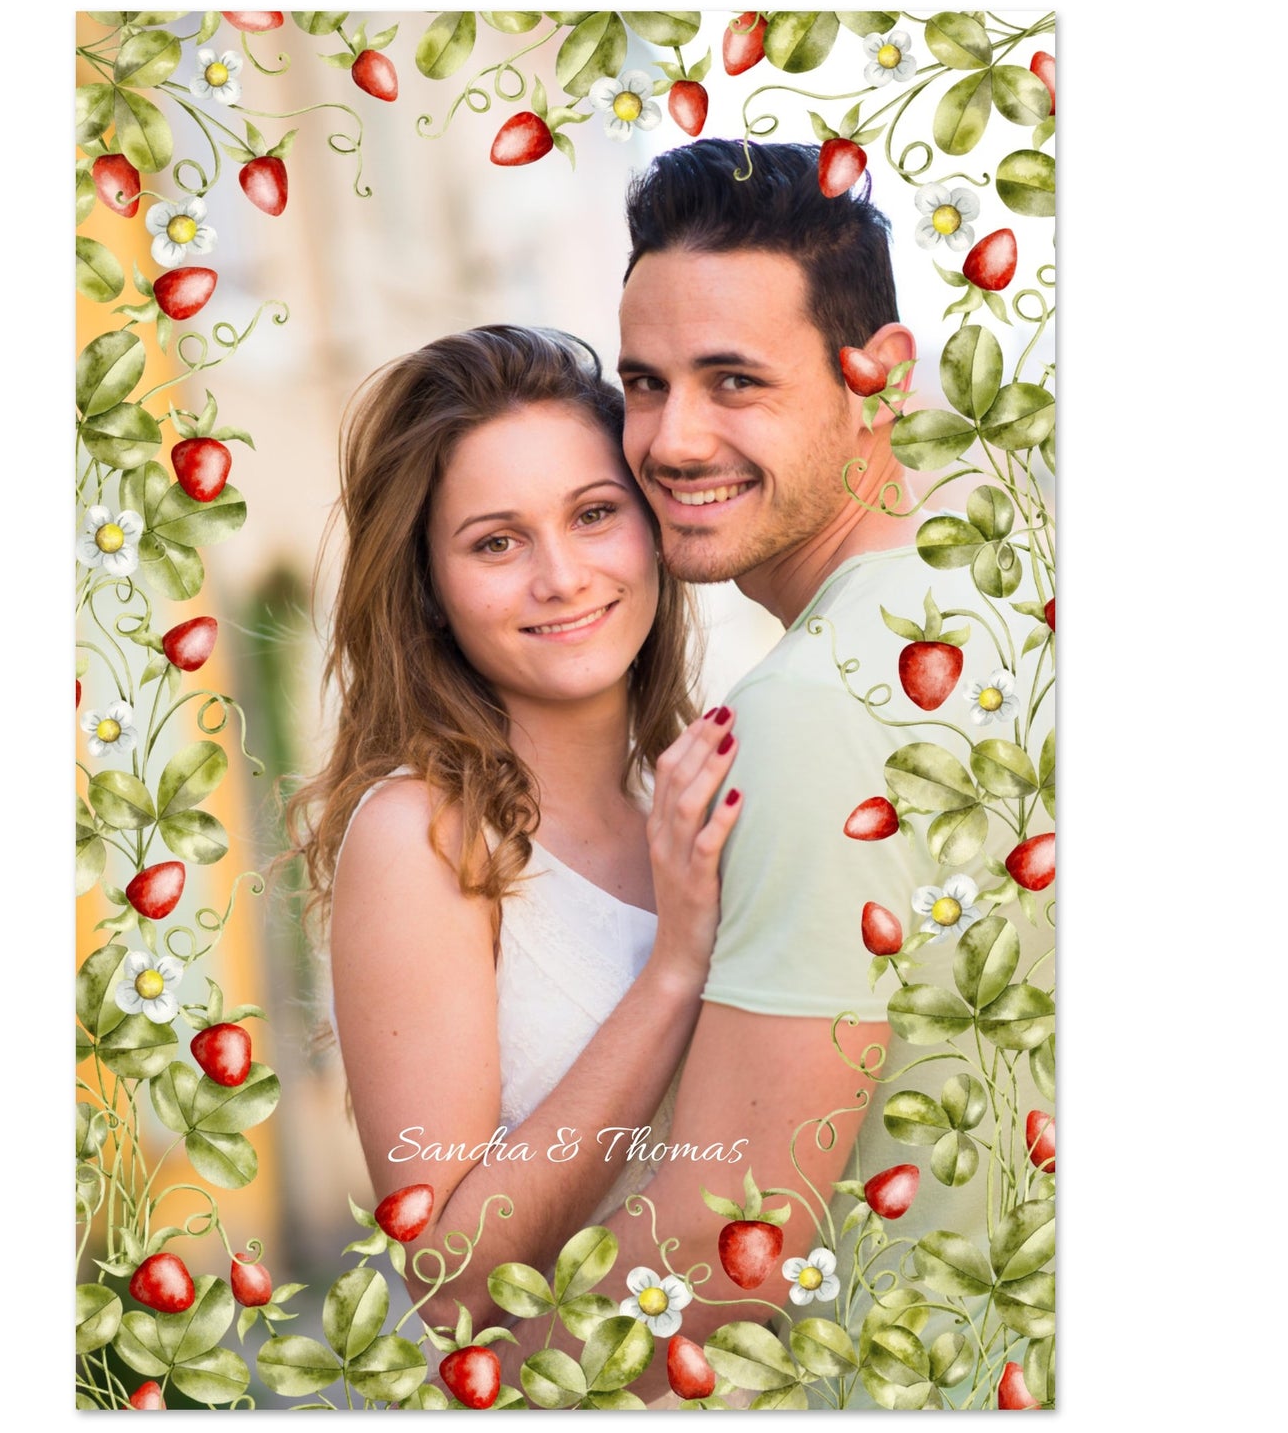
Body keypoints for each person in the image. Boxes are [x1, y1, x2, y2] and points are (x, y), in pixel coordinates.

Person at [599, 138, 1054, 1400]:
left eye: (733, 380)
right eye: (644, 382)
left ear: (880, 378)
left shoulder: (811, 709)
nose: (671, 439)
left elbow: (726, 1247)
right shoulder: (1009, 606)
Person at [285, 324, 745, 1335]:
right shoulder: (422, 838)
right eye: (496, 540)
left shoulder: (687, 812)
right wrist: (672, 966)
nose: (562, 576)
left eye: (592, 514)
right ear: (431, 591)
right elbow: (451, 1285)